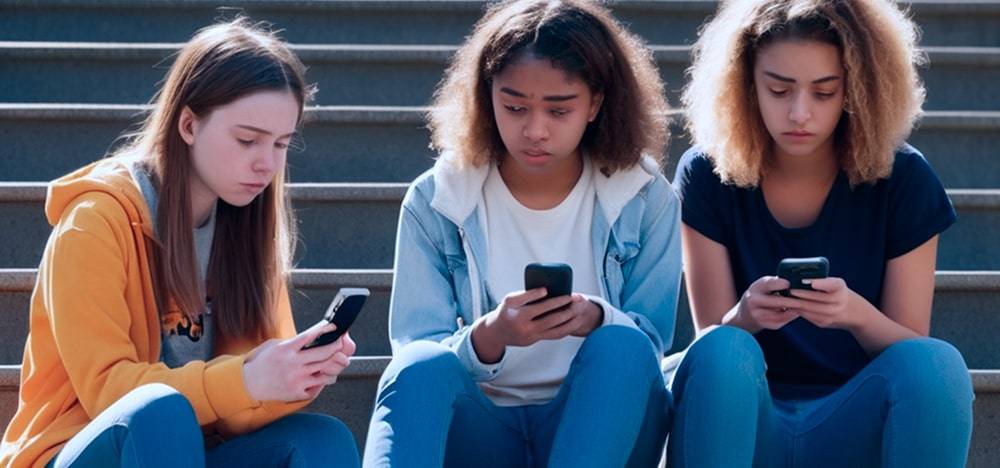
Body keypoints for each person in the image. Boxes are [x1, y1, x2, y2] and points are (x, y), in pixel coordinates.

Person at [1, 19, 360, 468]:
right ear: (188, 124)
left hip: (192, 450)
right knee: (158, 410)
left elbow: (234, 416)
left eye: (282, 143)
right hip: (82, 450)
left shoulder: (247, 231)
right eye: (247, 139)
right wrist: (246, 379)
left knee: (319, 440)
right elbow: (107, 393)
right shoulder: (94, 223)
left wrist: (292, 377)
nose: (266, 163)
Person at [362, 1, 681, 466]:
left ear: (595, 104)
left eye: (559, 110)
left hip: (601, 427)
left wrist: (596, 318)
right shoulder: (438, 199)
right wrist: (489, 336)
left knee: (623, 345)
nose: (535, 130)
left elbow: (651, 346)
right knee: (417, 368)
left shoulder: (645, 196)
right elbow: (416, 347)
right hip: (483, 425)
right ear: (487, 98)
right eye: (514, 106)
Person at [668, 0, 974, 466]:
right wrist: (745, 316)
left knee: (939, 364)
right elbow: (710, 342)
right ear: (746, 85)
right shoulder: (708, 174)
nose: (799, 113)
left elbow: (912, 353)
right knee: (724, 350)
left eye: (824, 92)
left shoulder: (905, 178)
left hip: (853, 417)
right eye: (779, 89)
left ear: (856, 89)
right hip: (746, 417)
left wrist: (854, 314)